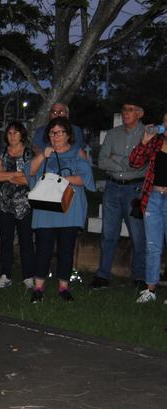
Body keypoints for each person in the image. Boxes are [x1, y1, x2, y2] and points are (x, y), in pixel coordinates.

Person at [25, 117, 95, 303]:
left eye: (59, 132)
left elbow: (85, 178)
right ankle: (38, 287)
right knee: (43, 250)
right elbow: (29, 172)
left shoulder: (76, 153)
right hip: (46, 211)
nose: (55, 136)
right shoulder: (44, 153)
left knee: (66, 250)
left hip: (68, 210)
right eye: (51, 133)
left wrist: (61, 179)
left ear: (68, 135)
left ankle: (63, 288)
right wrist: (42, 156)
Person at [91, 101, 146, 290]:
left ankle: (140, 276)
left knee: (138, 235)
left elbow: (143, 164)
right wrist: (127, 163)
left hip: (135, 189)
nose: (125, 113)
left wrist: (118, 159)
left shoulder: (147, 135)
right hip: (113, 188)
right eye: (123, 110)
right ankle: (103, 276)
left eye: (130, 110)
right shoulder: (113, 134)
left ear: (140, 113)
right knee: (108, 234)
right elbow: (102, 161)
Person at [0, 121, 35, 289]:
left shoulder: (30, 154)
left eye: (15, 133)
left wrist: (6, 175)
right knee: (6, 240)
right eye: (9, 133)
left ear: (22, 135)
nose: (12, 136)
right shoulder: (1, 153)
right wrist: (14, 175)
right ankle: (5, 275)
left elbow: (29, 178)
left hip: (25, 204)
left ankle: (28, 276)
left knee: (26, 241)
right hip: (4, 204)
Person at [128, 122, 167, 303]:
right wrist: (144, 141)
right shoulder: (155, 142)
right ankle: (150, 289)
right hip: (153, 198)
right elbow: (134, 162)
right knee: (153, 246)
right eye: (166, 121)